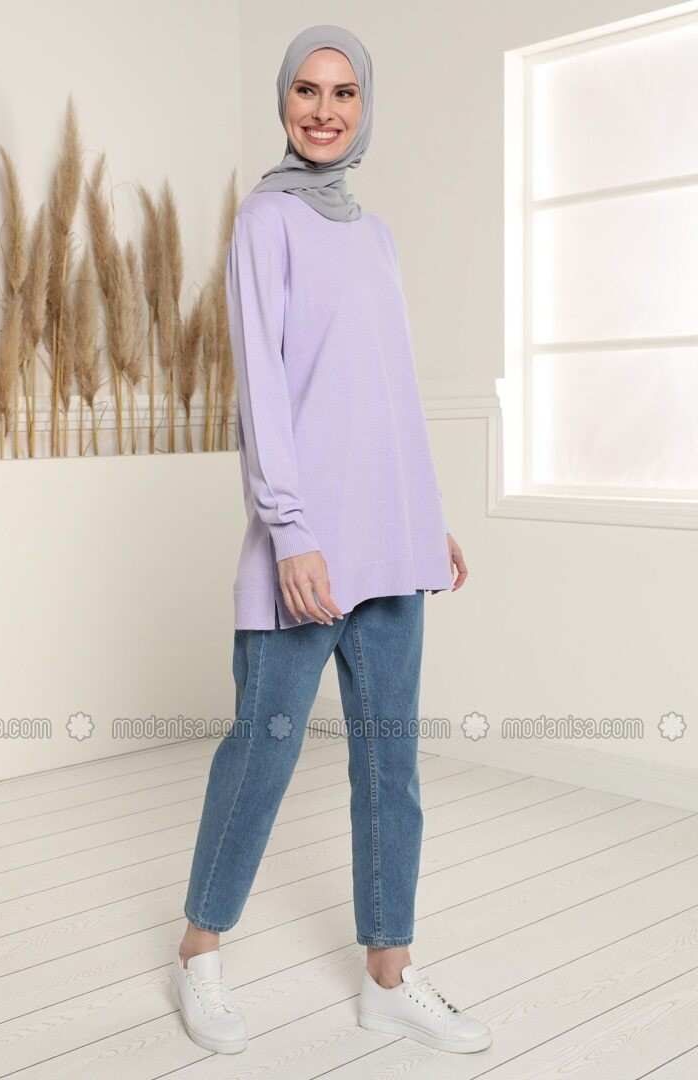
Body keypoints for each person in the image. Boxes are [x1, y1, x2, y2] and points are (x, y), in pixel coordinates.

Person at [172, 23, 490, 1057]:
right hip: (304, 551)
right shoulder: (265, 221)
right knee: (260, 757)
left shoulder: (376, 234)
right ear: (282, 102)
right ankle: (199, 954)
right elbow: (263, 391)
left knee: (390, 765)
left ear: (364, 107)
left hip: (391, 543)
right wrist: (290, 531)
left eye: (343, 92)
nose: (324, 110)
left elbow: (385, 388)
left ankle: (389, 977)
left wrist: (422, 513)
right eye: (306, 90)